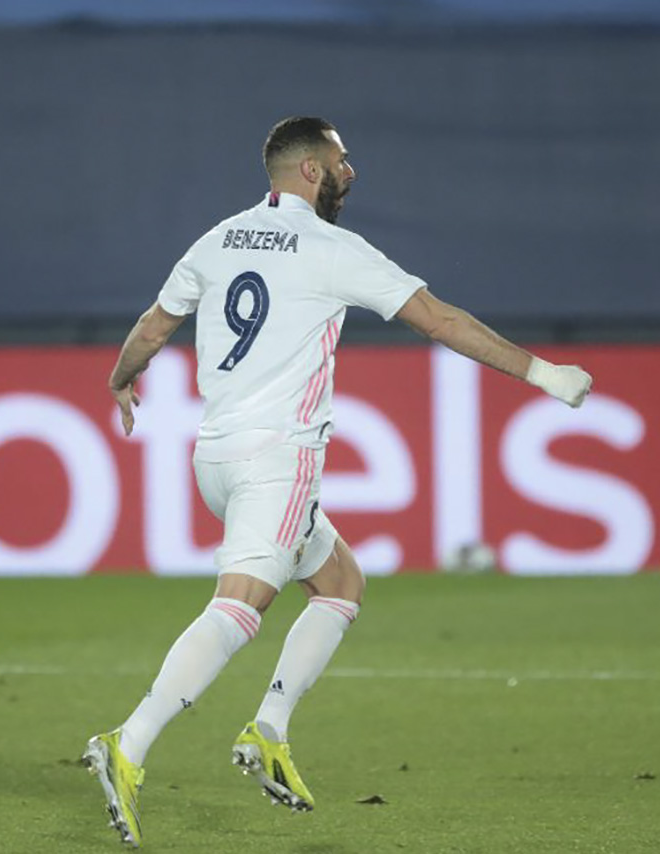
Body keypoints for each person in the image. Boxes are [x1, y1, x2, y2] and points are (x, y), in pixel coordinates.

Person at [82, 116, 592, 848]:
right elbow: (438, 320)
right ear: (310, 172)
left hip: (216, 460)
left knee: (341, 582)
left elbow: (155, 327)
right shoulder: (330, 249)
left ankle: (270, 729)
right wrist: (544, 373)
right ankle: (127, 746)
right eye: (341, 162)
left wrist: (121, 378)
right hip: (277, 460)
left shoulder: (217, 238)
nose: (352, 173)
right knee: (242, 607)